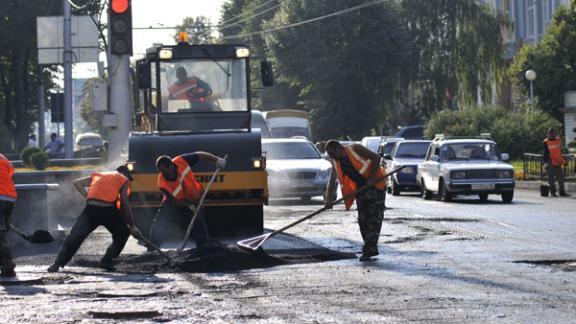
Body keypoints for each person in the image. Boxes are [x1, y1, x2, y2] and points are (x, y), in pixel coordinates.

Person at [48, 165, 139, 272]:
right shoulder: (123, 179)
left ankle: (57, 264)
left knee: (75, 236)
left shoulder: (99, 175)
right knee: (123, 233)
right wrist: (131, 226)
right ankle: (107, 261)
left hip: (90, 209)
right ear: (125, 173)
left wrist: (87, 196)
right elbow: (124, 203)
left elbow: (77, 183)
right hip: (108, 210)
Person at [324, 140, 387, 262]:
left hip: (376, 186)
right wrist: (328, 199)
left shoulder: (355, 149)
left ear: (338, 148)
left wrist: (372, 178)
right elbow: (332, 180)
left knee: (374, 219)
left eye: (332, 154)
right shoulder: (336, 161)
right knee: (363, 220)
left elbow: (376, 158)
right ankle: (370, 248)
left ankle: (368, 250)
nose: (332, 157)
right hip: (361, 189)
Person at [151, 152, 226, 248]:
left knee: (197, 218)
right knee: (160, 221)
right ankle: (153, 247)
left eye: (165, 171)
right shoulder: (162, 183)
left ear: (171, 166)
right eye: (161, 172)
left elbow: (200, 155)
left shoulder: (181, 161)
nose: (164, 175)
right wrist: (189, 206)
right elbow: (173, 201)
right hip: (173, 202)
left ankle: (203, 245)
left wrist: (217, 160)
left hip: (192, 197)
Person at [0, 153, 17, 277]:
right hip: (10, 197)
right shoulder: (2, 157)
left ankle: (7, 266)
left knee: (1, 235)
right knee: (2, 231)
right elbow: (11, 171)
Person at [542, 128, 569, 197]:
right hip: (550, 161)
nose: (553, 134)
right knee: (551, 178)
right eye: (551, 133)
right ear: (548, 134)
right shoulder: (545, 142)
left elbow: (559, 152)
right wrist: (546, 163)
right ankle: (553, 193)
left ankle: (562, 192)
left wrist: (564, 160)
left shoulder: (558, 140)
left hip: (557, 161)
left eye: (554, 133)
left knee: (560, 178)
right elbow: (545, 153)